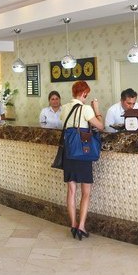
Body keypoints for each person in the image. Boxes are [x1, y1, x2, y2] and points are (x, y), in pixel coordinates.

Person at [60, 80, 104, 240]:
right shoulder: (86, 108)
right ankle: (81, 226)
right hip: (83, 154)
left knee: (71, 191)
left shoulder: (65, 108)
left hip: (69, 153)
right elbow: (100, 126)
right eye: (87, 94)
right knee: (86, 193)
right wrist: (96, 109)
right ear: (84, 93)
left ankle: (73, 225)